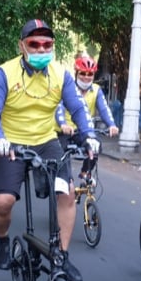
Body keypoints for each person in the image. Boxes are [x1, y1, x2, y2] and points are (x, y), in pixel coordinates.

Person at [0, 19, 99, 281]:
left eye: (47, 45)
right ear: (21, 46)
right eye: (34, 44)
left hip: (46, 141)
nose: (40, 50)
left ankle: (62, 256)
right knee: (3, 202)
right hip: (10, 142)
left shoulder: (61, 74)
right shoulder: (4, 73)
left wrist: (89, 135)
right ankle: (2, 240)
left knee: (68, 193)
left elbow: (78, 108)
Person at [56, 55, 119, 186]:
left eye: (90, 74)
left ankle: (86, 173)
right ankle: (65, 180)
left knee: (95, 145)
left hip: (83, 131)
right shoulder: (68, 87)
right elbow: (59, 108)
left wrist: (111, 125)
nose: (86, 77)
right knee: (61, 156)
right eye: (83, 73)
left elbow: (104, 109)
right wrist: (63, 124)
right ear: (76, 73)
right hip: (65, 131)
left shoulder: (96, 90)